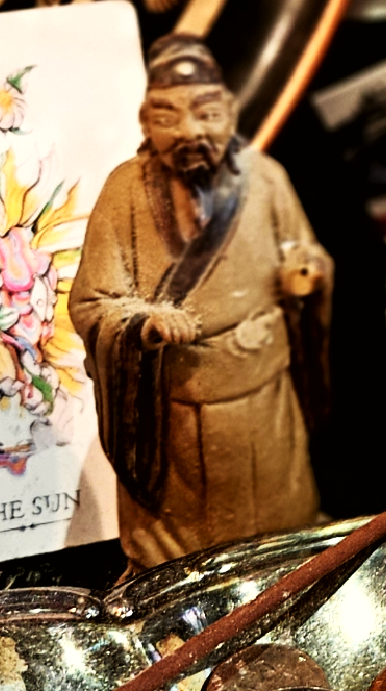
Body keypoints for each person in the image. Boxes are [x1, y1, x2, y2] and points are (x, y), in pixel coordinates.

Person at [72, 34, 331, 567]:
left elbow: (304, 253)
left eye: (207, 113)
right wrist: (143, 324)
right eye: (169, 117)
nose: (190, 131)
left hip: (264, 396)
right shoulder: (124, 192)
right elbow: (93, 303)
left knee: (283, 536)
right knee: (183, 554)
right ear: (146, 122)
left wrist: (304, 274)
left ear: (231, 113)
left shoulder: (266, 178)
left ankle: (290, 565)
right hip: (176, 418)